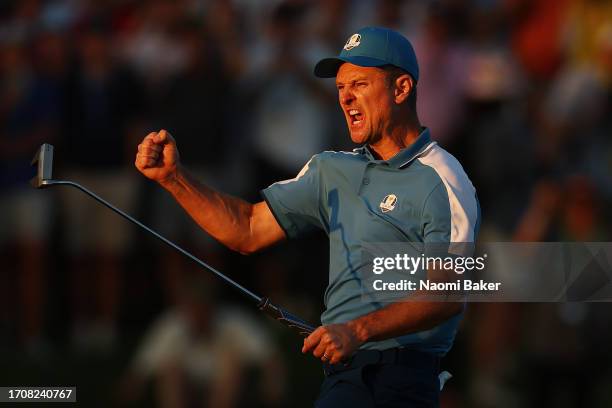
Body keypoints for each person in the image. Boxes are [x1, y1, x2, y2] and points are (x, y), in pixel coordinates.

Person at [135, 26, 480, 407]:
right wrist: (174, 179)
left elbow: (448, 293)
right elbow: (247, 230)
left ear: (400, 89)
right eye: (340, 88)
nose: (345, 97)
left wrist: (357, 330)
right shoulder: (331, 169)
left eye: (360, 85)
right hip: (345, 376)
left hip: (402, 380)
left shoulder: (444, 179)